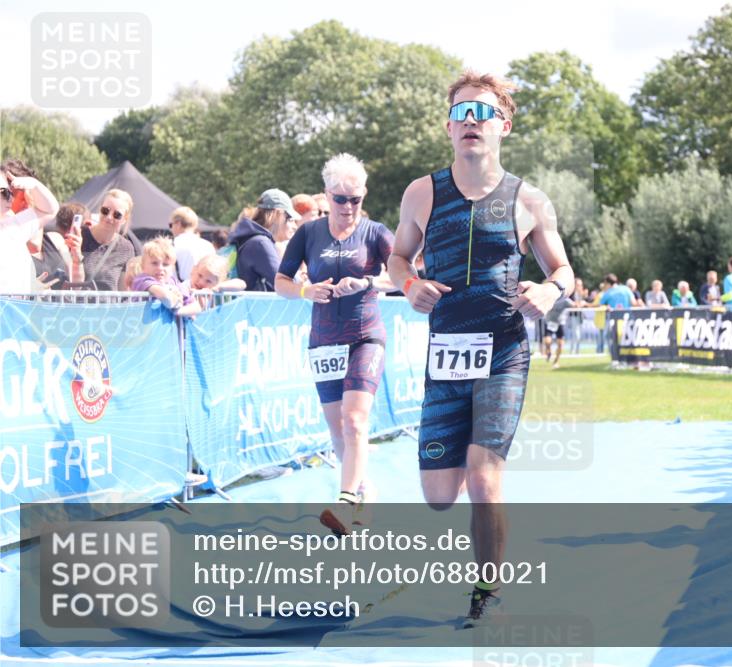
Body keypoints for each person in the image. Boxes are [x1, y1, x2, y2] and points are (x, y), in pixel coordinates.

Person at [388, 70, 573, 628]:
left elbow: (563, 271)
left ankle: (487, 589)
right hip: (445, 353)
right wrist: (409, 284)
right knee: (440, 495)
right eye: (462, 113)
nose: (472, 122)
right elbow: (398, 259)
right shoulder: (422, 192)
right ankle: (473, 471)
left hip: (504, 349)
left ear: (504, 126)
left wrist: (547, 289)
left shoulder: (529, 200)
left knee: (485, 474)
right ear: (448, 127)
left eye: (483, 113)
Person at [275, 153, 395, 535]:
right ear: (327, 196)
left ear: (364, 196)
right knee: (337, 427)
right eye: (340, 199)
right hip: (324, 338)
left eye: (355, 199)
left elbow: (403, 275)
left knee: (356, 419)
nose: (348, 207)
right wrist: (307, 290)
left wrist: (369, 283)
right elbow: (281, 282)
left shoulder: (375, 233)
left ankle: (344, 502)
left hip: (365, 334)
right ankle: (362, 491)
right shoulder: (309, 234)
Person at [0, 164, 59, 294]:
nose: (10, 198)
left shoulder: (12, 227)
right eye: (4, 192)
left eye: (10, 192)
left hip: (18, 311)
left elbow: (50, 210)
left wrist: (34, 185)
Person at [229, 189, 300, 291]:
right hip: (256, 306)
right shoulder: (261, 243)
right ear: (278, 214)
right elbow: (286, 284)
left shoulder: (254, 239)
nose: (295, 226)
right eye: (290, 219)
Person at [81, 188, 142, 290]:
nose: (109, 217)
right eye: (105, 211)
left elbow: (123, 290)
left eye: (117, 215)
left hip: (109, 305)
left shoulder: (126, 248)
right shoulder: (81, 236)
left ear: (124, 219)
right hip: (78, 304)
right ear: (99, 209)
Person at [131, 237, 201, 317]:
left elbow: (196, 307)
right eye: (154, 263)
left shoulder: (173, 281)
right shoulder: (142, 280)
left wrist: (178, 312)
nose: (160, 268)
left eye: (165, 264)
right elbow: (166, 298)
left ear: (172, 268)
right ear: (143, 266)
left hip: (168, 328)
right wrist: (176, 298)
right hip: (143, 327)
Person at [169, 206, 215, 281]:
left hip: (175, 291)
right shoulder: (208, 246)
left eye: (171, 225)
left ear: (178, 224)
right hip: (202, 291)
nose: (171, 229)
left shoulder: (169, 245)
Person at [542, 294, 573, 368]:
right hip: (550, 322)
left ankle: (556, 361)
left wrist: (582, 303)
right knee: (547, 341)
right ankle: (548, 351)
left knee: (560, 344)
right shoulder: (549, 297)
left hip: (560, 323)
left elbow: (575, 305)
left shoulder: (565, 300)